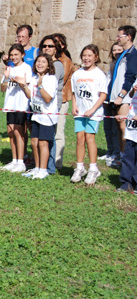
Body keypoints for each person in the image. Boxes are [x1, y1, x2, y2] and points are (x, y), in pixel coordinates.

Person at [70, 45, 107, 185]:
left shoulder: (99, 74)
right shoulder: (77, 74)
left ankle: (93, 168)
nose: (86, 58)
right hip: (80, 112)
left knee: (89, 138)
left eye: (90, 55)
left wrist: (93, 109)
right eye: (84, 55)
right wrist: (74, 106)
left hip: (93, 113)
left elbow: (103, 94)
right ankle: (79, 167)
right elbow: (74, 93)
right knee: (80, 138)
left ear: (96, 57)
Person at [18, 54, 58, 179]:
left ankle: (44, 169)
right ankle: (37, 167)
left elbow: (47, 98)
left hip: (47, 117)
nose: (40, 64)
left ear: (48, 65)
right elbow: (31, 96)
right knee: (34, 142)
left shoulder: (51, 79)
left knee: (43, 143)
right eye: (38, 61)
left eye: (43, 62)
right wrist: (23, 85)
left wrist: (40, 86)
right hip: (36, 115)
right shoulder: (34, 78)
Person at [0, 44, 32, 172]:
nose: (13, 57)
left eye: (16, 55)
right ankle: (14, 160)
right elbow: (2, 89)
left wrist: (21, 82)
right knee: (11, 132)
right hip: (10, 104)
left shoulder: (27, 68)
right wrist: (6, 77)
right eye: (11, 55)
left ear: (22, 55)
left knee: (19, 133)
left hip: (21, 105)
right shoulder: (9, 68)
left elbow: (28, 87)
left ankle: (21, 161)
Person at [108, 25, 137, 169]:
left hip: (124, 99)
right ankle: (121, 155)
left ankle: (127, 161)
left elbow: (130, 77)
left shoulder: (133, 54)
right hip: (115, 98)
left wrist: (121, 96)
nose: (117, 39)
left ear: (129, 37)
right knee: (119, 129)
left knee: (125, 129)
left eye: (120, 36)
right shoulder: (124, 54)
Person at [38, 35, 65, 175]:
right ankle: (41, 164)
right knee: (42, 136)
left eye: (50, 46)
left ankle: (50, 166)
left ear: (56, 49)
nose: (47, 48)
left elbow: (50, 88)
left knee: (51, 136)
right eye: (44, 46)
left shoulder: (57, 65)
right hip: (40, 105)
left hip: (52, 105)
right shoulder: (41, 64)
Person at [52, 33, 74, 170]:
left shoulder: (65, 61)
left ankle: (57, 162)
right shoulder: (54, 60)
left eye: (56, 43)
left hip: (62, 99)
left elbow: (60, 79)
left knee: (58, 132)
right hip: (51, 100)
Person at [101, 43, 124, 165]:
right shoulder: (111, 65)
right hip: (108, 99)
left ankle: (117, 152)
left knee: (116, 129)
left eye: (119, 50)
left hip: (117, 100)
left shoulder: (123, 66)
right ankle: (110, 151)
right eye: (114, 50)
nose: (116, 52)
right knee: (107, 127)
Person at [116, 82, 137, 193]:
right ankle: (126, 183)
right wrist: (133, 90)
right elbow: (130, 96)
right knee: (128, 157)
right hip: (132, 130)